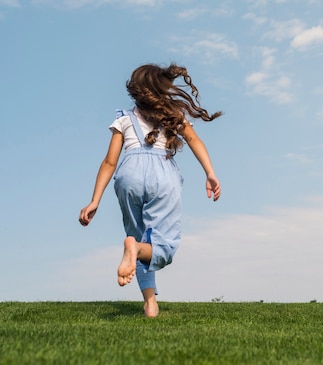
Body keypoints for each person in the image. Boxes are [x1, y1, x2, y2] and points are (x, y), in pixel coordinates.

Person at [79, 63, 222, 317]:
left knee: (138, 238)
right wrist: (210, 173)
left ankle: (150, 303)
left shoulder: (124, 117)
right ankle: (135, 254)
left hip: (129, 176)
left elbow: (109, 162)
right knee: (162, 248)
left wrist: (94, 200)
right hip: (163, 178)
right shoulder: (174, 114)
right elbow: (194, 141)